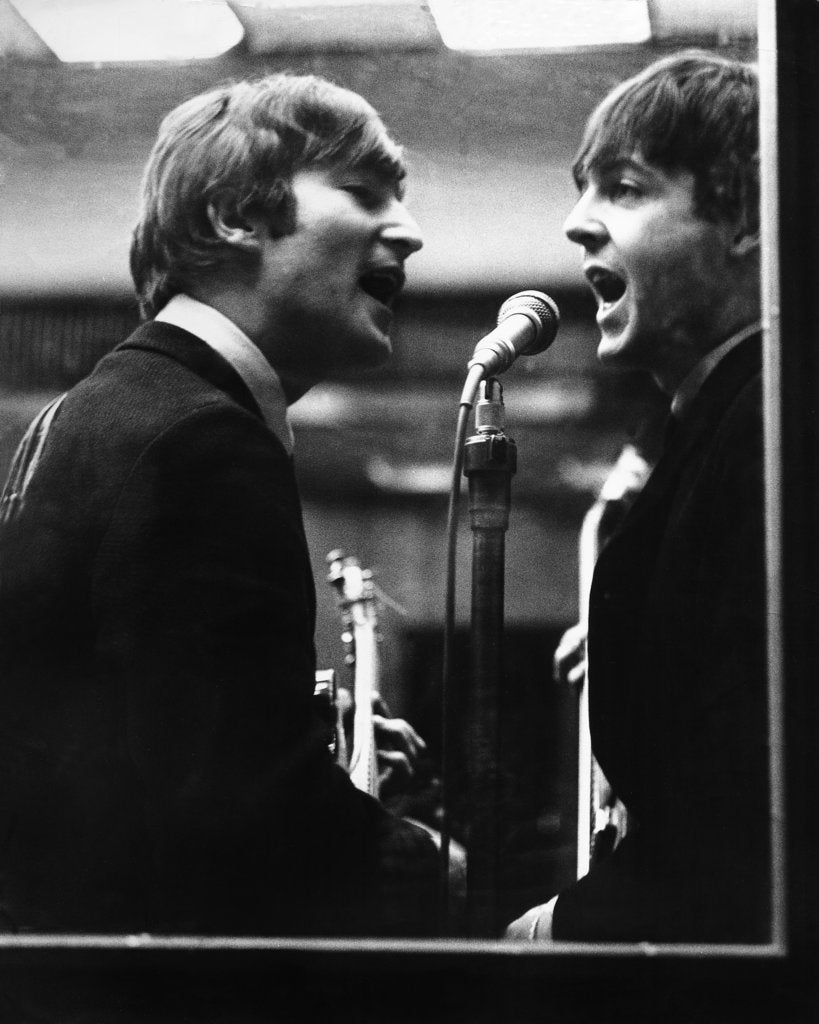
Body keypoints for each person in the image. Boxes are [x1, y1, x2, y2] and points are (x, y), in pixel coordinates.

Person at [0, 73, 439, 941]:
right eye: (362, 192)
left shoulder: (101, 408)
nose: (411, 232)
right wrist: (413, 857)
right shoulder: (203, 439)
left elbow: (120, 744)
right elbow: (229, 807)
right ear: (236, 215)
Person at [506, 50, 770, 943]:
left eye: (623, 188)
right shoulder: (717, 422)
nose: (578, 224)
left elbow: (741, 825)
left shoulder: (768, 431)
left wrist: (567, 928)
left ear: (744, 218)